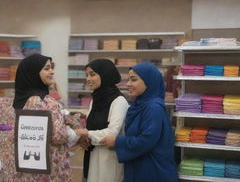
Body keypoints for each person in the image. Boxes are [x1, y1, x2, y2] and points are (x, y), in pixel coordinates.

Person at [11, 53, 87, 181]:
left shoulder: (22, 99)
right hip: (49, 168)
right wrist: (79, 132)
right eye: (46, 68)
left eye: (51, 68)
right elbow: (56, 135)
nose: (52, 72)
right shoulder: (39, 101)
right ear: (33, 73)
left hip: (32, 165)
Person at [101, 62, 178, 182]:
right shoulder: (140, 105)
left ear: (149, 81)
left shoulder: (153, 108)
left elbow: (146, 140)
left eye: (133, 80)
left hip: (153, 171)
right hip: (140, 167)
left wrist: (117, 142)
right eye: (128, 80)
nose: (128, 84)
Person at [79, 58, 129, 182]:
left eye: (92, 74)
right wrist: (85, 139)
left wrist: (87, 134)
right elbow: (92, 128)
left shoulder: (119, 101)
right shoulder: (95, 100)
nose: (88, 79)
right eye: (87, 75)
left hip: (109, 160)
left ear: (105, 75)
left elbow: (112, 133)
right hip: (92, 157)